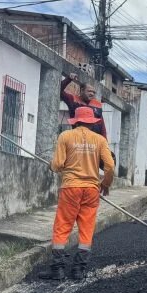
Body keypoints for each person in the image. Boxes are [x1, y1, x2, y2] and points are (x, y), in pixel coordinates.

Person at [39, 106, 115, 282]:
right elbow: (110, 166)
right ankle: (78, 270)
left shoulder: (65, 136)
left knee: (63, 226)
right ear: (91, 122)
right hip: (91, 189)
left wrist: (53, 166)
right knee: (86, 228)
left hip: (71, 188)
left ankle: (57, 270)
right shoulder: (100, 140)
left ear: (76, 121)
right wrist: (106, 184)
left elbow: (58, 164)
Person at [61, 72, 107, 139]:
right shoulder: (73, 99)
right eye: (89, 91)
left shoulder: (97, 104)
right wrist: (68, 79)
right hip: (78, 138)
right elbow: (59, 90)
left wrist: (105, 141)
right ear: (82, 90)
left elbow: (102, 125)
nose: (92, 94)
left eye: (94, 92)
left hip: (95, 140)